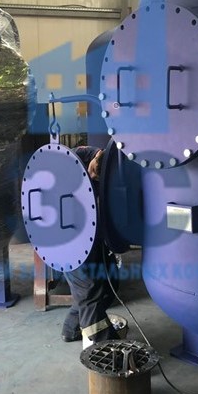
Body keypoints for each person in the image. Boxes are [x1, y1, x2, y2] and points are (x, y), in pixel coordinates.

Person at [60, 144, 120, 347]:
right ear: (94, 158)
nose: (93, 176)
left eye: (98, 177)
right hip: (67, 242)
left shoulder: (110, 168)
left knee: (104, 285)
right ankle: (105, 344)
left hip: (91, 238)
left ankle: (70, 330)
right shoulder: (70, 161)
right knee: (89, 291)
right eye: (93, 171)